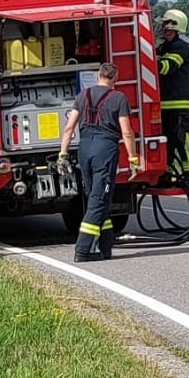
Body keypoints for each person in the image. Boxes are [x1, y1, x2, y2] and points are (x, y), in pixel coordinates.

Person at [57, 63, 139, 262]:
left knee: (98, 197)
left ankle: (105, 246)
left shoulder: (82, 95)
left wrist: (63, 153)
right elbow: (127, 132)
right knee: (98, 199)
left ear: (97, 77)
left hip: (85, 149)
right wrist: (133, 158)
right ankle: (82, 250)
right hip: (105, 149)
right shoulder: (118, 98)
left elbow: (69, 127)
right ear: (115, 78)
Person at [156, 8, 189, 185]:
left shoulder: (181, 48)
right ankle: (165, 175)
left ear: (175, 28)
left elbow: (166, 67)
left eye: (166, 26)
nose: (163, 29)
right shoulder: (164, 48)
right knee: (166, 143)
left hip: (177, 105)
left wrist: (149, 61)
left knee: (184, 140)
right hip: (164, 105)